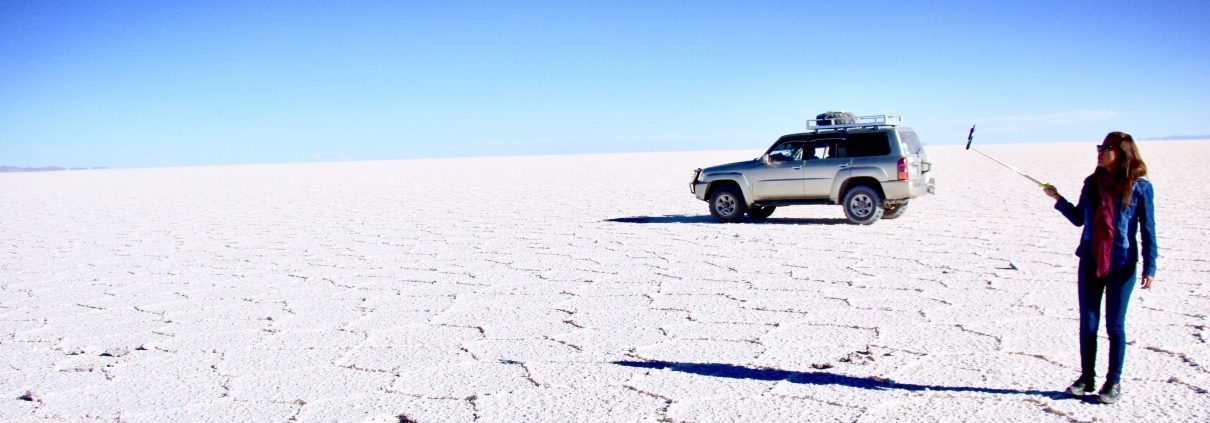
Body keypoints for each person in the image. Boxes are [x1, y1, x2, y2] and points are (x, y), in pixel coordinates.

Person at [1042, 131, 1156, 404]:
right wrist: (1057, 199)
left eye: (1107, 147)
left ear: (1122, 152)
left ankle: (1113, 382)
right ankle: (1086, 378)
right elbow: (1080, 219)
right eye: (1099, 147)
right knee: (1088, 325)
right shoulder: (1092, 183)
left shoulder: (1139, 187)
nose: (1100, 151)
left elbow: (1148, 229)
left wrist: (1150, 266)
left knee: (1115, 326)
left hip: (1122, 264)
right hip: (1090, 261)